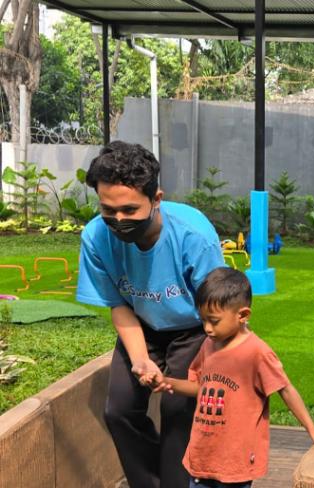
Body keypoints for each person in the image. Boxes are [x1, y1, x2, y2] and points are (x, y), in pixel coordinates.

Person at [76, 141, 225, 488]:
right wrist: (141, 359)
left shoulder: (193, 235)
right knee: (119, 411)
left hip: (196, 328)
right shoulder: (96, 238)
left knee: (178, 411)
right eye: (108, 210)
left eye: (129, 209)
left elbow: (219, 307)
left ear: (156, 199)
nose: (118, 220)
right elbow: (119, 305)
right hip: (141, 324)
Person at [142, 267, 314, 488]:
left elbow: (285, 389)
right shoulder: (209, 344)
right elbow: (201, 387)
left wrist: (313, 431)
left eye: (214, 321)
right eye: (203, 321)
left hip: (234, 464)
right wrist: (168, 382)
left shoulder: (257, 352)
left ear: (243, 315)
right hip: (202, 457)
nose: (207, 329)